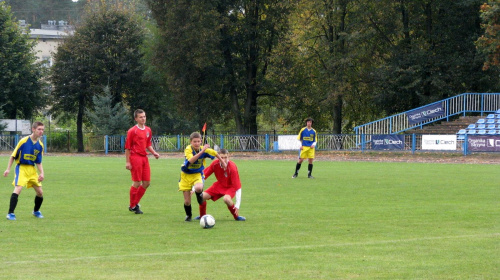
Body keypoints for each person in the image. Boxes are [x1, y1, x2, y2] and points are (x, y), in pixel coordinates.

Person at [178, 132, 226, 222]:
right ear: (191, 142)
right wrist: (202, 151)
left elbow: (215, 153)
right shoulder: (188, 149)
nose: (196, 143)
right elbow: (191, 160)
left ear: (201, 141)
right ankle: (189, 215)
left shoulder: (203, 149)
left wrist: (222, 162)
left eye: (198, 141)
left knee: (199, 187)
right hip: (185, 175)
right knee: (187, 201)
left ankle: (200, 198)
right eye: (194, 141)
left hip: (197, 174)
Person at [4, 122, 46, 220]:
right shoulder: (23, 141)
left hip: (32, 169)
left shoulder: (40, 145)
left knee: (40, 192)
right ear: (33, 129)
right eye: (39, 129)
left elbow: (38, 162)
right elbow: (13, 156)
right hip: (21, 168)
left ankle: (36, 211)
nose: (41, 131)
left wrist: (42, 173)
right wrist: (8, 169)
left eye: (42, 129)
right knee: (18, 189)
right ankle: (10, 213)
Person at [125, 109, 160, 214]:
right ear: (136, 119)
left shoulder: (148, 130)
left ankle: (134, 204)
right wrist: (127, 162)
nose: (143, 118)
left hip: (144, 158)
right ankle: (133, 205)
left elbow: (148, 144)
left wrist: (154, 153)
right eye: (140, 117)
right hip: (135, 157)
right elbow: (127, 148)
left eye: (144, 116)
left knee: (146, 183)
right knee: (137, 182)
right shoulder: (132, 131)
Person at [196, 149, 245, 221]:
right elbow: (203, 176)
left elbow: (238, 188)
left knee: (226, 199)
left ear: (229, 157)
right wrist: (194, 188)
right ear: (218, 157)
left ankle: (236, 216)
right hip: (219, 185)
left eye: (226, 157)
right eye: (222, 157)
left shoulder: (232, 167)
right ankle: (202, 217)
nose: (224, 160)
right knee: (201, 197)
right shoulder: (215, 164)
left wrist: (237, 205)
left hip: (230, 187)